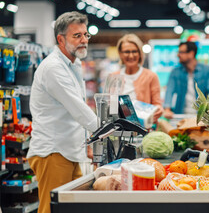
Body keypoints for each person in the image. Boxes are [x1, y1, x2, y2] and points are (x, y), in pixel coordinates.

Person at [27, 11, 98, 213]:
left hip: (70, 151)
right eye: (77, 36)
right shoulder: (53, 68)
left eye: (86, 35)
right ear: (61, 39)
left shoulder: (74, 64)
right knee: (50, 209)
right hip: (53, 152)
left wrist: (89, 143)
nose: (84, 40)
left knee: (71, 208)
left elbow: (75, 111)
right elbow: (78, 109)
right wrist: (107, 131)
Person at [104, 34, 163, 123]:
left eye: (134, 51)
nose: (131, 56)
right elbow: (109, 106)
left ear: (140, 53)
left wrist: (158, 110)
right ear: (120, 54)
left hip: (144, 129)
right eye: (127, 52)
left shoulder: (151, 76)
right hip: (120, 129)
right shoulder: (113, 77)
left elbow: (157, 104)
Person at [163, 41, 209, 118]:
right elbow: (169, 90)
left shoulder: (207, 70)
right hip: (180, 115)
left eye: (181, 52)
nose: (178, 55)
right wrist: (167, 109)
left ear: (191, 54)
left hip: (202, 116)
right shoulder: (175, 72)